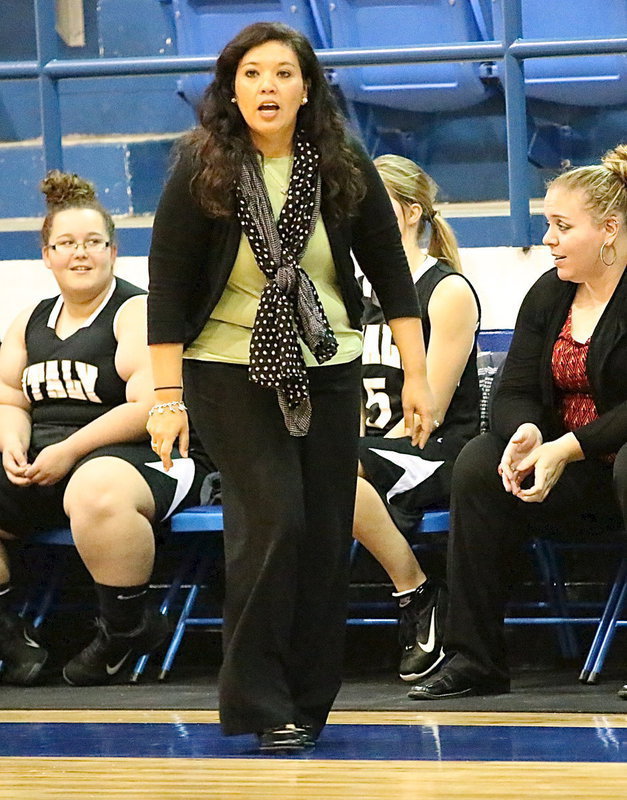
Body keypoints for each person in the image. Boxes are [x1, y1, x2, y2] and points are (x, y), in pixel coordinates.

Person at [146, 22, 434, 751]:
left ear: (307, 88)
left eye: (281, 73)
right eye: (251, 74)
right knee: (275, 521)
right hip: (223, 371)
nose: (267, 87)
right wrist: (165, 396)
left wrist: (417, 373)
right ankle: (257, 698)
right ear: (230, 88)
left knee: (322, 534)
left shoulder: (341, 165)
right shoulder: (201, 168)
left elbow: (391, 275)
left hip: (329, 364)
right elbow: (168, 286)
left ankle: (306, 701)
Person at [407, 144, 627, 701]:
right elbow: (514, 389)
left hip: (614, 468)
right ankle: (473, 659)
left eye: (560, 226)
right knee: (480, 460)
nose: (548, 239)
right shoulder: (551, 292)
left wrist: (568, 447)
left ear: (609, 228)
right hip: (566, 479)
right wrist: (527, 432)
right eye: (546, 225)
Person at [0, 170, 208, 687]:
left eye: (93, 242)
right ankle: (7, 633)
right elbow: (8, 396)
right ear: (46, 255)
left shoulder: (134, 311)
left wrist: (69, 450)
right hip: (51, 461)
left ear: (113, 252)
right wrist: (12, 443)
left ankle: (125, 627)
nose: (80, 253)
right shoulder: (29, 319)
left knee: (96, 488)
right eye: (65, 243)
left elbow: (146, 405)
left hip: (144, 454)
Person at [355, 155, 481, 682]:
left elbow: (429, 411)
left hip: (434, 447)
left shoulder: (445, 289)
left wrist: (360, 453)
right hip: (371, 450)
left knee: (332, 473)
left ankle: (418, 593)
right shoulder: (347, 293)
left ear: (408, 214)